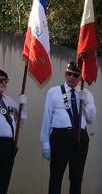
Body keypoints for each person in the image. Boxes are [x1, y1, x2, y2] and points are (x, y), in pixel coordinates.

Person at [41, 61, 97, 194]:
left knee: (77, 177)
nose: (71, 77)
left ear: (80, 77)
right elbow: (47, 118)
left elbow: (91, 119)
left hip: (80, 137)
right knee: (56, 176)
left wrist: (86, 103)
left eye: (75, 75)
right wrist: (45, 143)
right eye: (68, 74)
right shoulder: (53, 92)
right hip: (60, 136)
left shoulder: (86, 94)